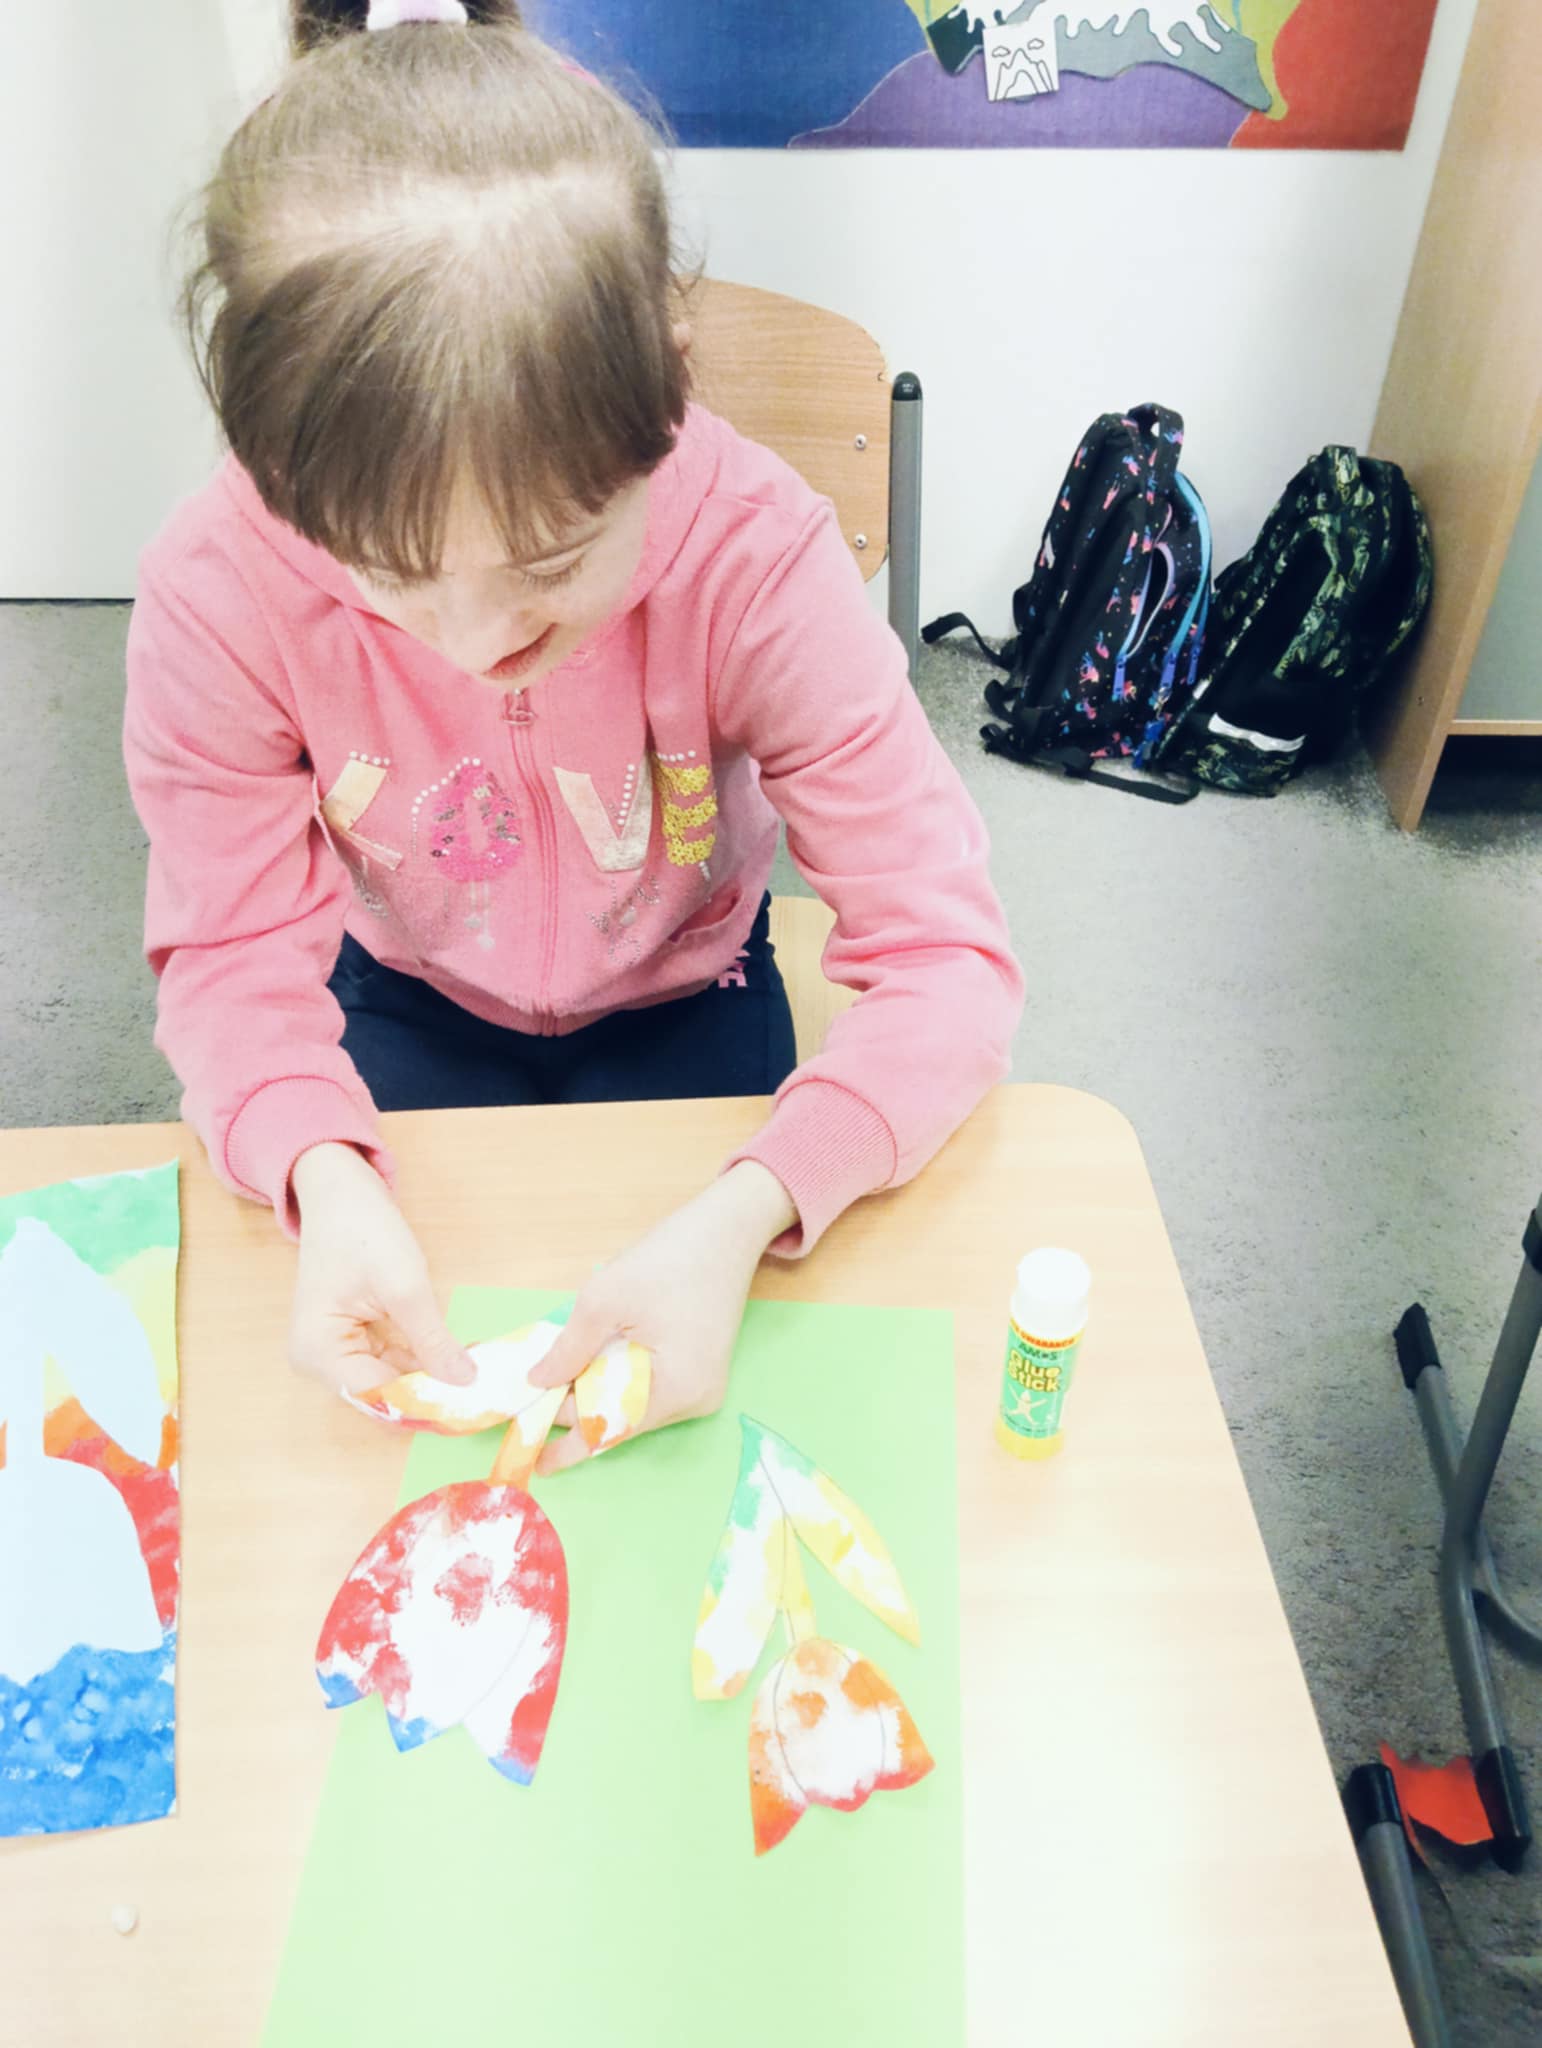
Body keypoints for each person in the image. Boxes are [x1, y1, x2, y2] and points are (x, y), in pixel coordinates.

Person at [124, 0, 1023, 1471]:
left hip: (691, 991)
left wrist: (755, 1205)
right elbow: (227, 957)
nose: (476, 643)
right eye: (390, 576)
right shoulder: (221, 585)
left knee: (720, 1411)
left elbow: (946, 960)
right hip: (399, 997)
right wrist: (314, 1165)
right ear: (278, 468)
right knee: (347, 1450)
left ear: (670, 386)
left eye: (549, 562)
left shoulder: (754, 560)